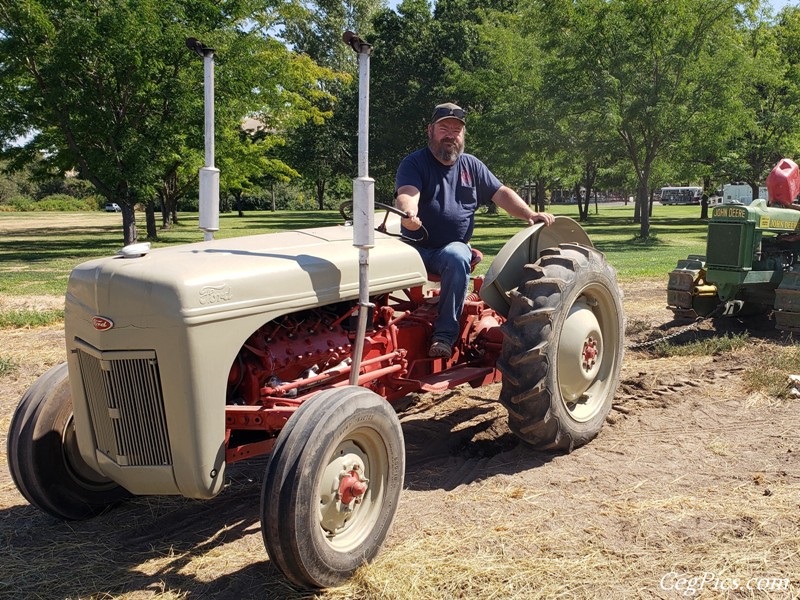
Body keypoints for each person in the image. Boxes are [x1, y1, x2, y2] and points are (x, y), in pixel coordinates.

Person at [395, 102, 555, 359]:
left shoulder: (471, 166)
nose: (450, 134)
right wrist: (409, 213)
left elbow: (500, 193)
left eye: (456, 130)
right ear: (430, 131)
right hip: (414, 248)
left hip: (450, 248)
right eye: (444, 128)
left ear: (463, 135)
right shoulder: (414, 163)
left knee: (457, 256)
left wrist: (529, 214)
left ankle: (444, 336)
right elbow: (407, 194)